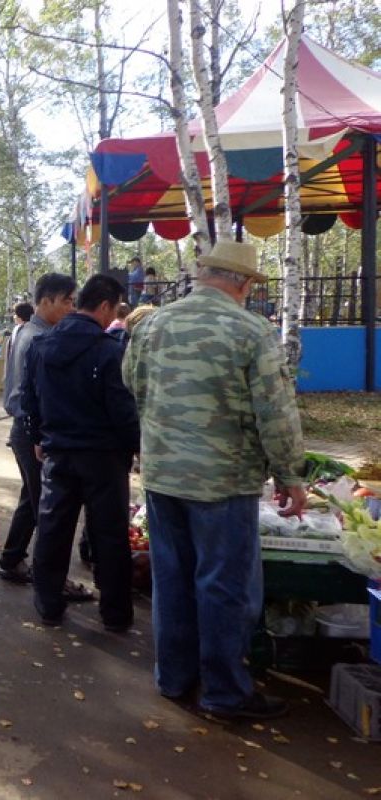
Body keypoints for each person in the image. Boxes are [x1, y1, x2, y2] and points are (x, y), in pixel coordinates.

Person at [123, 240, 306, 721]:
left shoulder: (153, 324)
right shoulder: (251, 331)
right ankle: (224, 693)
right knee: (223, 587)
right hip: (224, 480)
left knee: (172, 579)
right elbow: (277, 412)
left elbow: (133, 384)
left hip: (163, 476)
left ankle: (174, 678)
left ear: (202, 275)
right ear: (243, 283)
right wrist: (291, 474)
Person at [21, 275, 139, 632]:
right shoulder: (107, 350)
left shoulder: (41, 346)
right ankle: (115, 613)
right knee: (109, 535)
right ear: (104, 306)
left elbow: (29, 399)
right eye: (114, 309)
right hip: (103, 457)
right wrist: (136, 447)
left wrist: (39, 436)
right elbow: (121, 408)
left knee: (54, 530)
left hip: (58, 453)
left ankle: (48, 604)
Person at [0, 274, 79, 587]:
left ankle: (12, 558)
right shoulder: (39, 338)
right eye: (68, 301)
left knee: (32, 500)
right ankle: (53, 582)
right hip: (34, 432)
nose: (72, 308)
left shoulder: (26, 331)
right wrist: (42, 436)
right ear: (46, 301)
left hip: (26, 429)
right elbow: (40, 396)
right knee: (49, 509)